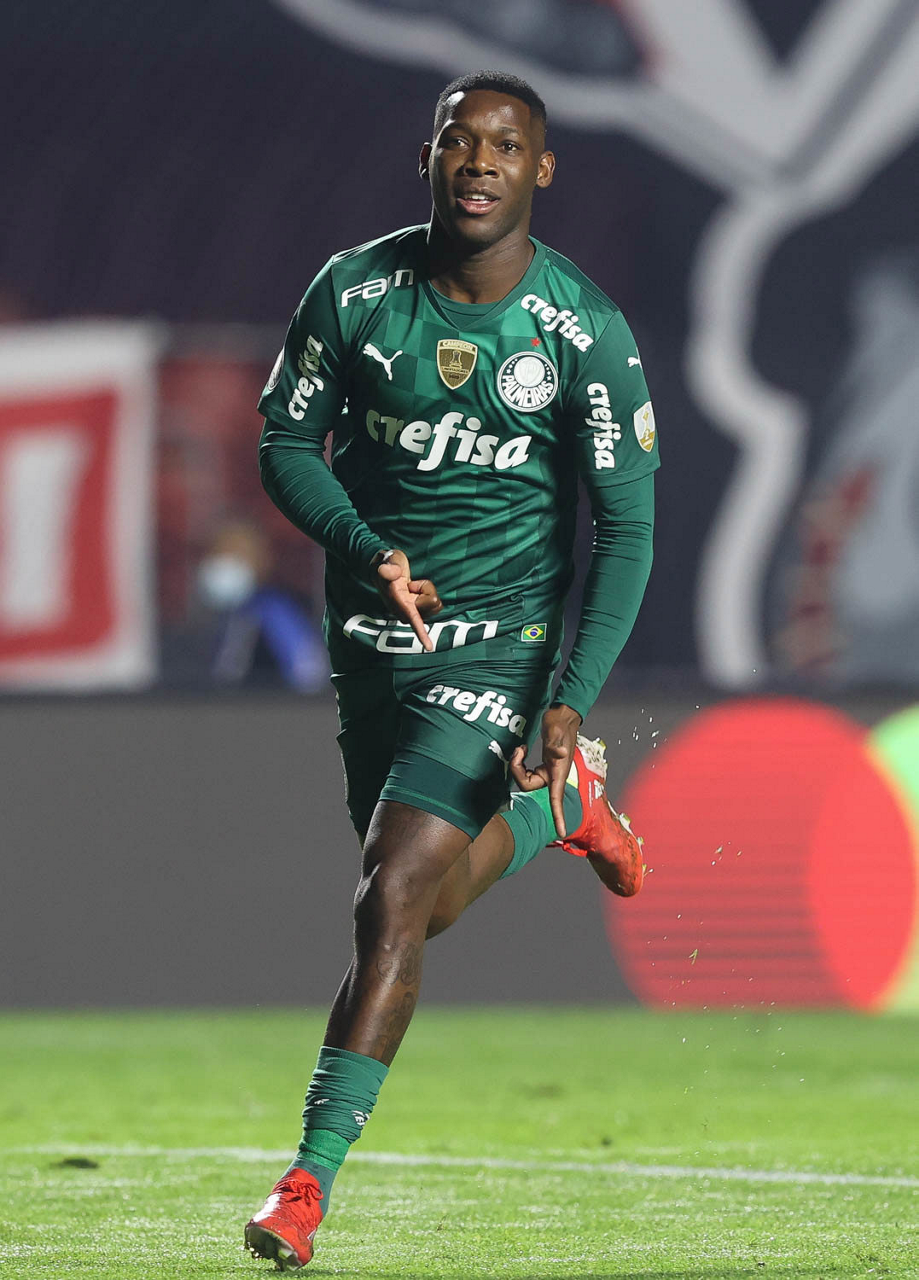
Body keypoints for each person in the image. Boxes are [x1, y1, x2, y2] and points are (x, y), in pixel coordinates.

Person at [244, 70, 659, 1270]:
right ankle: (554, 809)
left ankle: (306, 1183)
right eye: (459, 141)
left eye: (505, 145)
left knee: (388, 894)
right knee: (423, 902)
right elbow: (284, 441)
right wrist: (363, 545)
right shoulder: (355, 291)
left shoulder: (581, 332)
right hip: (374, 633)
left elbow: (626, 529)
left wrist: (568, 693)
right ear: (426, 160)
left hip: (501, 643)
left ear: (540, 170)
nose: (479, 161)